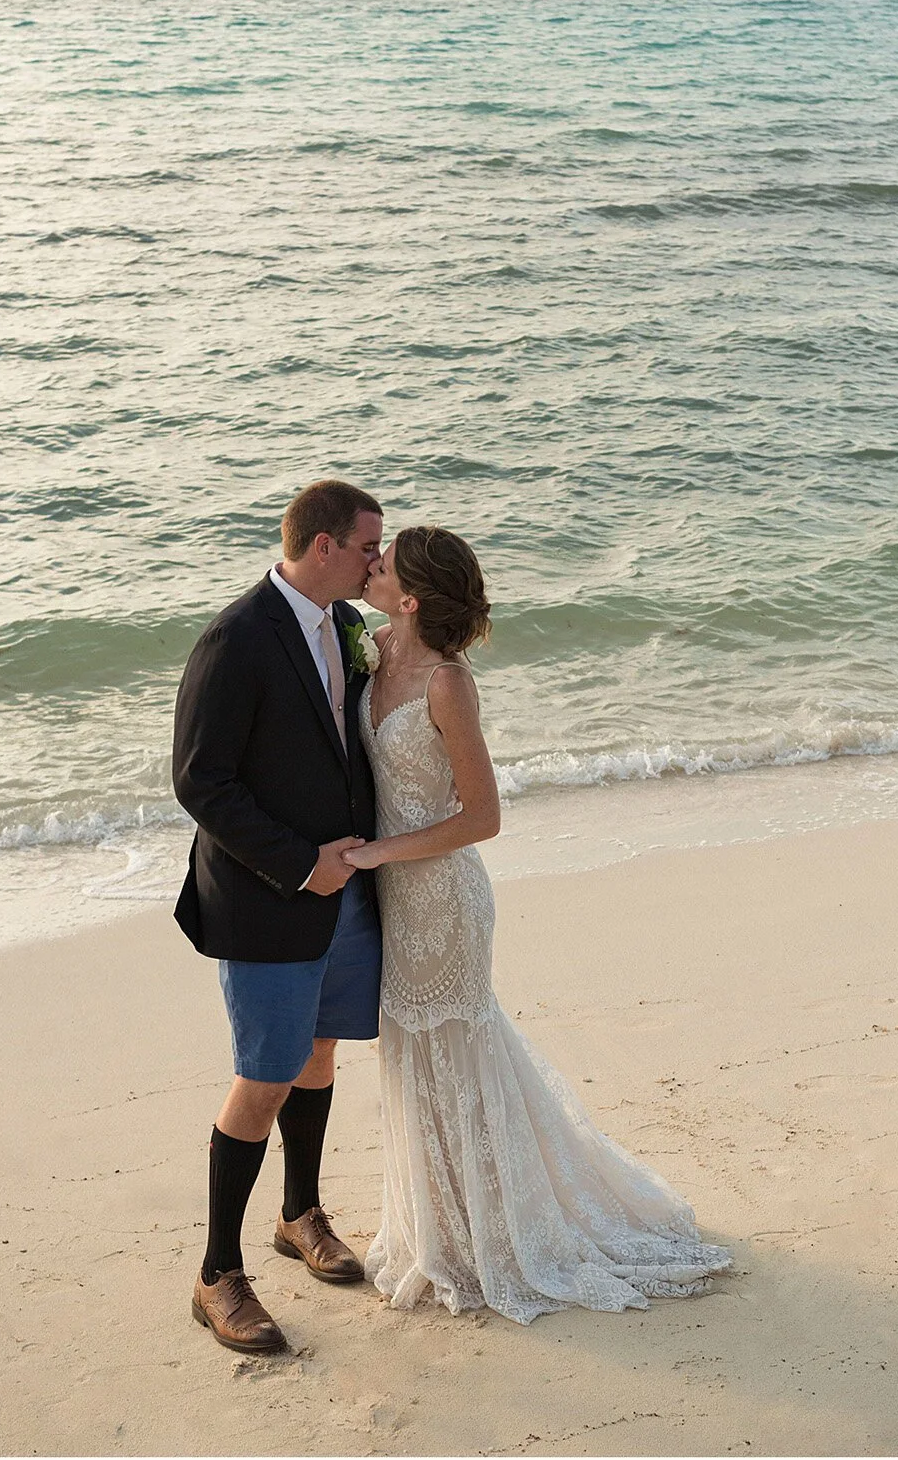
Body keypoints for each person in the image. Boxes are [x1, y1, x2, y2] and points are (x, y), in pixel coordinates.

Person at [343, 525, 731, 1322]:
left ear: (411, 596)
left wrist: (379, 852)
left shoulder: (448, 685)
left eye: (384, 564)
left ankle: (500, 1235)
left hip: (444, 897)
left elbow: (482, 817)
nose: (370, 566)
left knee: (460, 1052)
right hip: (391, 898)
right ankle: (441, 1230)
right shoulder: (370, 648)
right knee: (410, 1054)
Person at [169, 477, 385, 1355]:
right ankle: (218, 1274)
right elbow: (199, 781)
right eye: (369, 546)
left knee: (321, 1054)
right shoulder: (236, 638)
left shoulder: (344, 627)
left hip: (349, 891)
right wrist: (302, 867)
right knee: (263, 1076)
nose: (379, 560)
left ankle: (299, 1214)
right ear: (325, 546)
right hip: (269, 898)